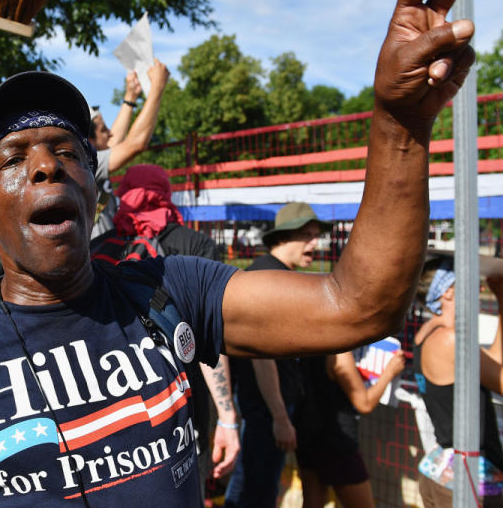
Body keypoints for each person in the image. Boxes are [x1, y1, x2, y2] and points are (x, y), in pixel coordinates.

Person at [0, 0, 494, 507]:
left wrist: (402, 125)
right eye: (16, 159)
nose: (47, 167)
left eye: (68, 152)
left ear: (95, 191)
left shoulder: (172, 291)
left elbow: (358, 306)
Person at [107, 164, 241, 487]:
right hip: (183, 403)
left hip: (117, 404)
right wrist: (228, 417)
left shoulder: (102, 247)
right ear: (165, 192)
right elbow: (211, 334)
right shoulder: (195, 245)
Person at [224, 201, 332, 507]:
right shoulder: (268, 278)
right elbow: (262, 355)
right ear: (285, 236)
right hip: (265, 411)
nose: (316, 242)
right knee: (258, 491)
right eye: (308, 235)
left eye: (316, 234)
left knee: (249, 484)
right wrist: (280, 417)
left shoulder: (272, 272)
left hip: (266, 408)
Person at [414, 260, 503, 506]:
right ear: (448, 292)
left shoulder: (427, 334)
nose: (478, 290)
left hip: (443, 474)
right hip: (465, 482)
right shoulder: (451, 341)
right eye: (472, 282)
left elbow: (493, 365)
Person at [296, 347, 406, 507]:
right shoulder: (339, 355)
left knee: (313, 501)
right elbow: (364, 403)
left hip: (309, 435)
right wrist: (389, 372)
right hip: (338, 444)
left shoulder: (309, 344)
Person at [88, 61, 170, 239]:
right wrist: (157, 87)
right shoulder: (87, 163)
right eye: (103, 130)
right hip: (95, 258)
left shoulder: (88, 158)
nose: (111, 133)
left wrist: (130, 96)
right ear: (89, 141)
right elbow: (135, 144)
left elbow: (114, 142)